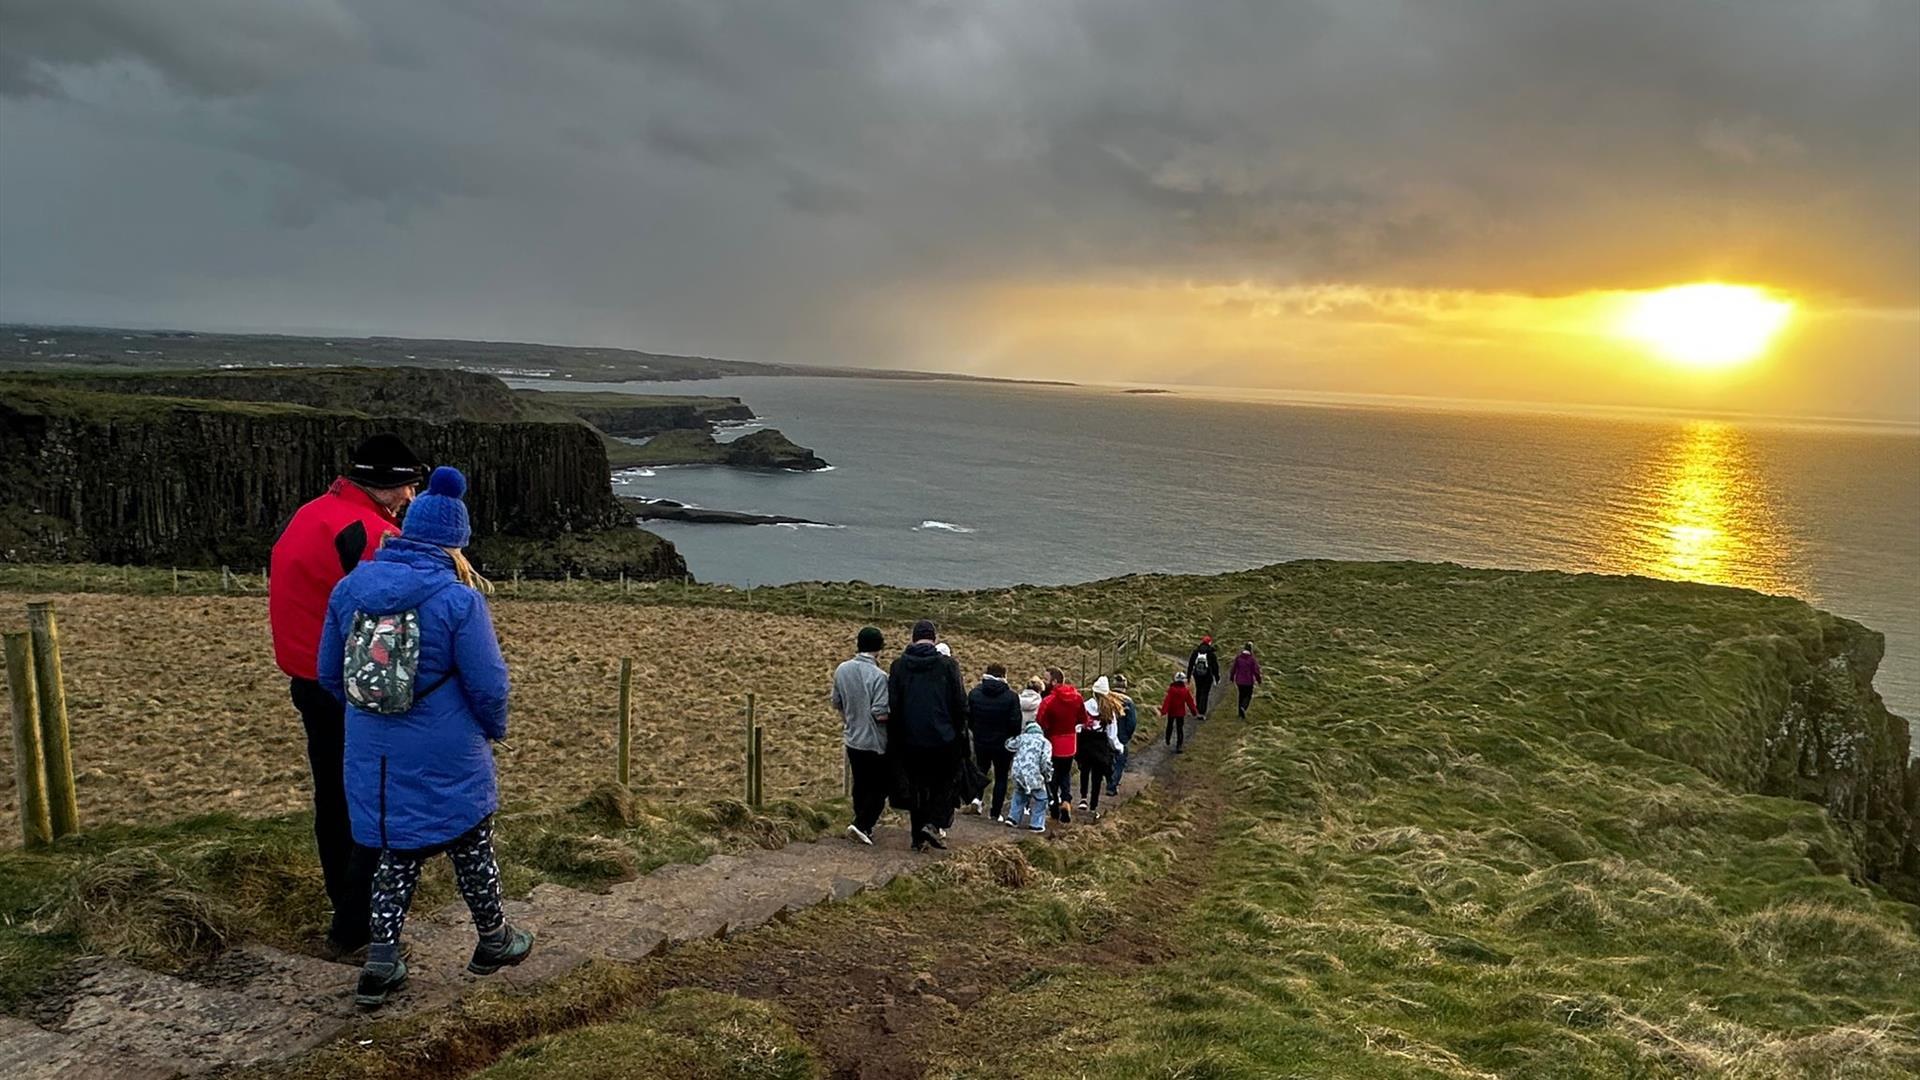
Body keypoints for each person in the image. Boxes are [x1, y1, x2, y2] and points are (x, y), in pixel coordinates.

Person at [315, 466, 532, 1008]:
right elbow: (489, 683)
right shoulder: (459, 601)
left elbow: (327, 673)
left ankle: (381, 962)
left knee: (393, 851)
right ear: (455, 544)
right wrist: (493, 730)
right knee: (471, 842)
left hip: (373, 753)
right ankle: (493, 941)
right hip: (447, 748)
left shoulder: (350, 588)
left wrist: (370, 714)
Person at [270, 432, 426, 956]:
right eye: (406, 487)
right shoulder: (370, 534)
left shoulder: (312, 513)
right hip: (349, 686)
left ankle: (345, 906)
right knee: (372, 804)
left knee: (334, 799)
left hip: (307, 678)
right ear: (383, 486)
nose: (410, 498)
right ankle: (357, 930)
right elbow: (385, 619)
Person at [887, 620, 970, 851]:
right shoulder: (948, 665)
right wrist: (958, 732)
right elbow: (959, 702)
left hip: (909, 740)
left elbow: (893, 704)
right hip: (942, 738)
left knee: (916, 788)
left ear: (913, 639)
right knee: (944, 783)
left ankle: (917, 838)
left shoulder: (898, 666)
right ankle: (933, 824)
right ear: (934, 638)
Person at [831, 626, 891, 845]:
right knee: (880, 786)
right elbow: (880, 713)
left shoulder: (842, 669)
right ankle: (863, 824)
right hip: (874, 741)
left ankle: (859, 822)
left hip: (852, 737)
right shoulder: (879, 676)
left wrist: (849, 720)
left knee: (860, 783)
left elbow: (836, 702)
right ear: (879, 649)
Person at [966, 663, 1022, 823]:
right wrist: (1011, 737)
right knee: (1001, 777)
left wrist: (976, 731)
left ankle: (976, 800)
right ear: (1004, 676)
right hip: (1002, 743)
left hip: (981, 740)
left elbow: (969, 718)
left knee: (980, 770)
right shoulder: (1011, 696)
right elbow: (1015, 723)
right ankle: (995, 813)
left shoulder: (975, 693)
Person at [1036, 668, 1084, 823]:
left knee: (1052, 776)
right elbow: (1083, 718)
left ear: (1054, 682)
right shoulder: (1077, 697)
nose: (1044, 682)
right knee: (1065, 773)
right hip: (1070, 742)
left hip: (1053, 742)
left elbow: (1040, 721)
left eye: (1046, 679)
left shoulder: (1048, 701)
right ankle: (1066, 800)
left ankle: (1054, 805)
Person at [1076, 677, 1122, 818]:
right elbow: (1112, 734)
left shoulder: (1085, 705)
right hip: (1100, 745)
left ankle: (1083, 798)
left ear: (1093, 692)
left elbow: (1077, 725)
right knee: (1097, 776)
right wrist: (1119, 747)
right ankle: (1093, 806)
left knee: (1084, 770)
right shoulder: (1108, 710)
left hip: (1084, 741)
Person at [1004, 715, 1054, 833]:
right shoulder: (1045, 742)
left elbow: (1008, 745)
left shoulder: (1021, 738)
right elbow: (1045, 761)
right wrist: (1047, 775)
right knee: (1041, 798)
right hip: (1034, 774)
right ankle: (1036, 824)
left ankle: (1013, 818)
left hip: (1017, 772)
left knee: (1019, 793)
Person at [1105, 674, 1138, 797]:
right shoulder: (1128, 702)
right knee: (1119, 762)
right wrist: (1127, 735)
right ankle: (1112, 786)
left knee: (1108, 760)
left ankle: (1108, 781)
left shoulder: (1106, 699)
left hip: (1106, 734)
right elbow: (1132, 722)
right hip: (1122, 736)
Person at [1161, 671, 1199, 752]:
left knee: (1169, 726)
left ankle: (1168, 738)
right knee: (1180, 729)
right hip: (1180, 713)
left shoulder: (1171, 690)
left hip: (1171, 712)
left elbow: (1167, 700)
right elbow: (1190, 702)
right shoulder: (1185, 691)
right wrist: (1194, 712)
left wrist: (1164, 711)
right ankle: (1179, 745)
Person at [1186, 636, 1221, 717]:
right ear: (1209, 642)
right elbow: (1215, 666)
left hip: (1197, 674)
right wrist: (1217, 677)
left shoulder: (1196, 651)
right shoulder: (1211, 653)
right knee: (1205, 692)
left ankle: (1197, 709)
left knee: (1198, 690)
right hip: (1207, 675)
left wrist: (1188, 676)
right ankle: (1202, 712)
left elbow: (1190, 664)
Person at [1230, 642, 1264, 719]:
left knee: (1241, 696)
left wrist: (1232, 677)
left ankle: (1240, 714)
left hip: (1239, 681)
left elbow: (1233, 668)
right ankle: (1243, 707)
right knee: (1248, 696)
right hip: (1248, 681)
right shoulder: (1252, 659)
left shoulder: (1238, 658)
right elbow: (1256, 671)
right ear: (1250, 650)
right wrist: (1259, 680)